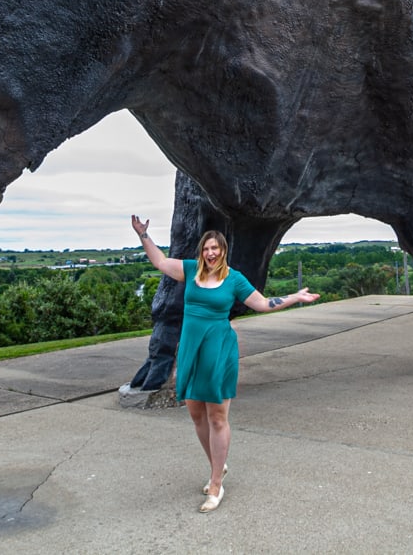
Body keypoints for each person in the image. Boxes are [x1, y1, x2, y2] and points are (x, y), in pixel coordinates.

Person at [132, 214, 319, 512]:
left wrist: (295, 297)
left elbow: (261, 303)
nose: (210, 253)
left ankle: (216, 482)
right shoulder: (190, 270)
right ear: (201, 252)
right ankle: (219, 465)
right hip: (191, 348)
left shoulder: (234, 279)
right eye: (206, 248)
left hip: (218, 349)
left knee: (217, 416)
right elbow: (160, 262)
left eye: (215, 249)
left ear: (223, 251)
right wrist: (143, 235)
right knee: (196, 414)